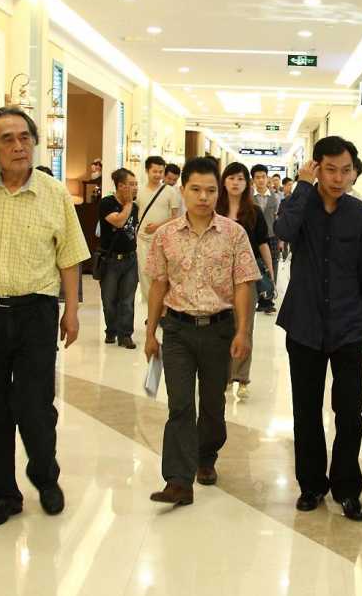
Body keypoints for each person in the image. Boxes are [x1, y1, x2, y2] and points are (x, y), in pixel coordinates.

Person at [0, 107, 90, 528]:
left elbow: (69, 257)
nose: (18, 146)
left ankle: (45, 476)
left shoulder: (53, 192)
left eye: (24, 137)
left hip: (36, 314)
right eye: (7, 139)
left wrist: (71, 310)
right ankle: (3, 495)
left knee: (35, 407)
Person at [274, 136, 362, 522]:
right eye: (330, 170)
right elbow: (284, 230)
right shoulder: (300, 204)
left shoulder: (360, 214)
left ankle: (347, 489)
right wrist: (303, 186)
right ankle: (311, 485)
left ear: (354, 172)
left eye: (346, 170)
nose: (339, 178)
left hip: (349, 324)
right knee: (306, 410)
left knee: (350, 411)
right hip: (304, 323)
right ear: (316, 168)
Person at [145, 157, 259, 506]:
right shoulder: (165, 235)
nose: (203, 197)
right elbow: (158, 284)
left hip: (218, 329)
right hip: (177, 330)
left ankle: (206, 457)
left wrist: (243, 332)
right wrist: (150, 333)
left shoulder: (234, 234)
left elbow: (243, 285)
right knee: (180, 405)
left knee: (212, 404)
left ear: (218, 192)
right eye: (195, 189)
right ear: (183, 191)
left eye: (210, 190)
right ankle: (178, 480)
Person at [216, 162, 275, 400]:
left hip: (246, 276)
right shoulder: (215, 209)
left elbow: (262, 242)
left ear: (246, 183)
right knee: (220, 327)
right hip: (217, 276)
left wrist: (270, 271)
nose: (235, 183)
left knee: (244, 326)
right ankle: (222, 375)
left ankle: (241, 377)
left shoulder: (253, 212)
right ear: (224, 181)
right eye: (231, 178)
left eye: (240, 179)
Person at [98, 168, 139, 349]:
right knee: (109, 300)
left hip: (130, 259)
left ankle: (125, 335)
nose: (135, 188)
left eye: (136, 184)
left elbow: (132, 230)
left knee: (127, 300)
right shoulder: (106, 203)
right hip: (110, 260)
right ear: (121, 186)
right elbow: (119, 221)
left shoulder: (135, 207)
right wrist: (128, 204)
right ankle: (111, 330)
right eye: (131, 184)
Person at [136, 156, 181, 302]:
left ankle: (161, 308)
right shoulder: (139, 191)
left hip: (163, 241)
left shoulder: (170, 192)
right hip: (142, 240)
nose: (157, 175)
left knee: (161, 275)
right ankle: (149, 307)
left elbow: (175, 218)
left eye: (160, 172)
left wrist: (157, 227)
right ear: (147, 171)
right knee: (144, 275)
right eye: (154, 171)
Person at [251, 164, 279, 314]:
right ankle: (258, 297)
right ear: (253, 179)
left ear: (267, 178)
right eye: (257, 177)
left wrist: (281, 240)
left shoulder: (275, 197)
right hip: (255, 237)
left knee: (272, 265)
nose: (261, 180)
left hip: (272, 236)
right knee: (256, 265)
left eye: (263, 177)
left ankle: (269, 298)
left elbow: (278, 218)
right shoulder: (249, 197)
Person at [280, 178, 294, 261]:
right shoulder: (280, 197)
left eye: (291, 185)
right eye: (289, 185)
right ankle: (284, 258)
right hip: (283, 226)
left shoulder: (294, 198)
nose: (291, 186)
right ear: (284, 186)